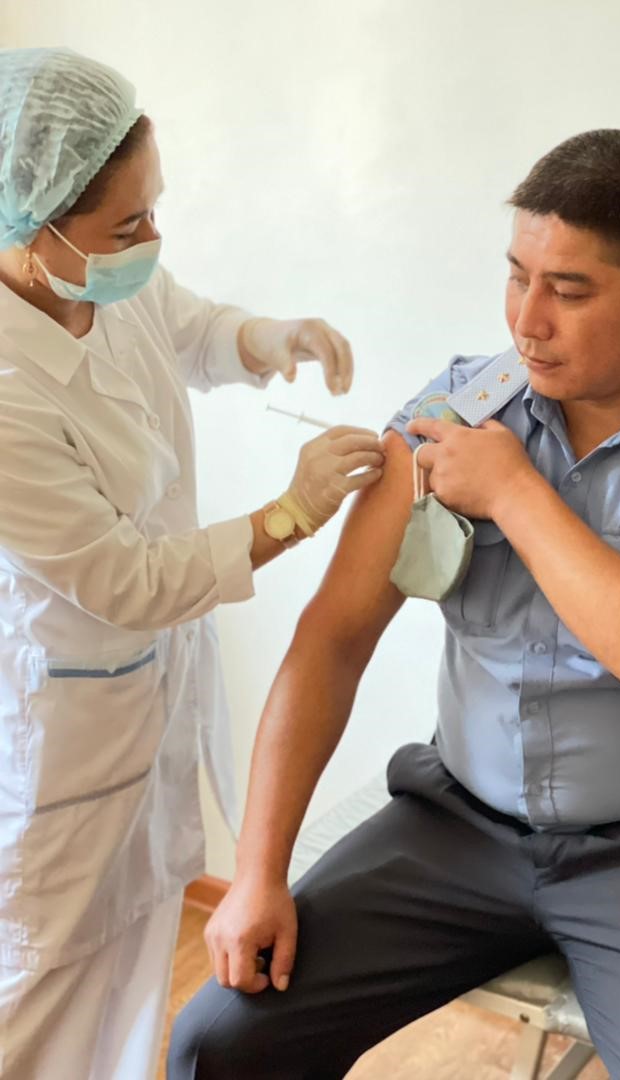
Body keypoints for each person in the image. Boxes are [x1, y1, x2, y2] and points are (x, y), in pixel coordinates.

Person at [169, 129, 620, 1079]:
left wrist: (514, 492)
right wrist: (256, 874)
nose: (527, 322)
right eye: (517, 276)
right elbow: (333, 638)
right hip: (453, 826)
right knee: (218, 1041)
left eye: (570, 291)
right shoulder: (461, 410)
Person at [0, 47, 385, 1080]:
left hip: (145, 702)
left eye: (153, 208)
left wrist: (268, 337)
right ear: (31, 228)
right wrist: (292, 512)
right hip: (61, 740)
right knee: (37, 1002)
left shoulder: (97, 274)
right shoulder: (5, 391)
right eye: (128, 225)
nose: (151, 240)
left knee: (131, 973)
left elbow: (184, 323)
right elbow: (125, 581)